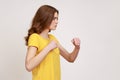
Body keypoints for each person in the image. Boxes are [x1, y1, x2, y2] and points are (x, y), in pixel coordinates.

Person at [24, 5, 80, 80]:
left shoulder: (53, 39)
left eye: (57, 18)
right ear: (45, 18)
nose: (57, 21)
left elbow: (70, 58)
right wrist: (48, 48)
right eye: (54, 18)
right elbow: (29, 66)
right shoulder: (35, 37)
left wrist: (77, 48)